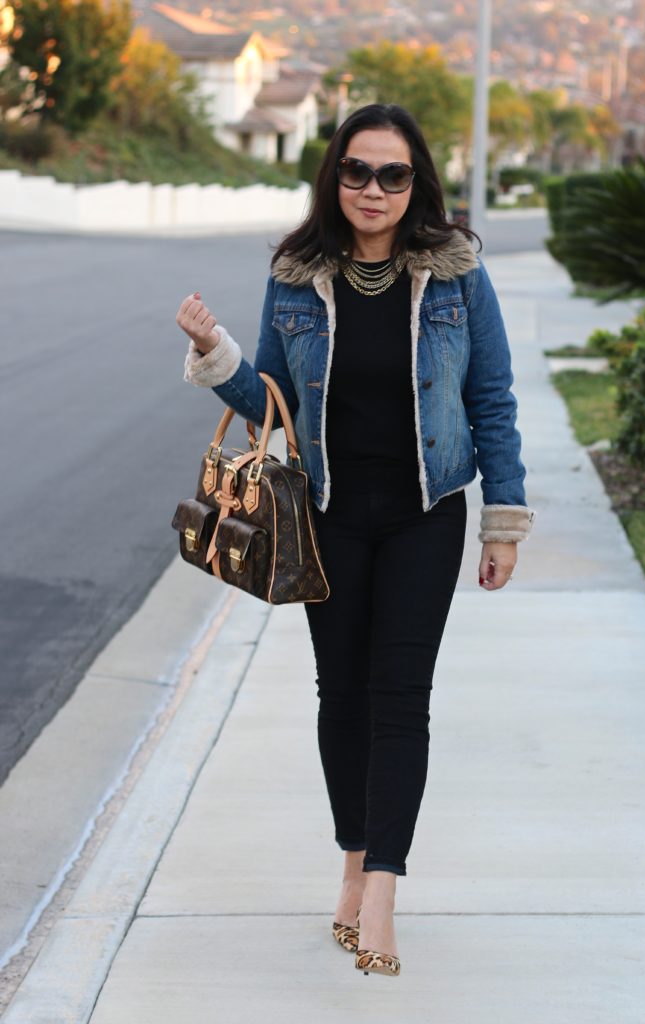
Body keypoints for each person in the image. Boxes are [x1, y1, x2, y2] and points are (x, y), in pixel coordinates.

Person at [176, 103, 535, 978]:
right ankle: (350, 860)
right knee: (341, 695)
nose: (373, 189)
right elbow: (272, 407)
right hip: (326, 515)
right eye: (357, 171)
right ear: (333, 176)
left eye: (393, 174)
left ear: (418, 183)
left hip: (425, 513)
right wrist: (213, 351)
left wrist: (503, 519)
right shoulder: (297, 274)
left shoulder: (455, 275)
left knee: (399, 696)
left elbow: (491, 398)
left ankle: (380, 887)